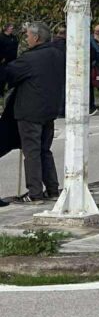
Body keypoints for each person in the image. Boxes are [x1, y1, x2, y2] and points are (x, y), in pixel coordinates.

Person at [5, 22, 63, 203]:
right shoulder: (57, 55)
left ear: (36, 38)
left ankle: (34, 192)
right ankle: (53, 189)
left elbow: (9, 75)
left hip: (30, 111)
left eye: (28, 35)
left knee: (32, 152)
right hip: (49, 110)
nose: (27, 38)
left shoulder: (30, 59)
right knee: (45, 151)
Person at [0, 23, 18, 96]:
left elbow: (15, 46)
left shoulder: (13, 37)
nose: (12, 29)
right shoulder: (1, 37)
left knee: (11, 76)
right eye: (11, 28)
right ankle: (1, 93)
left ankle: (10, 91)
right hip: (3, 61)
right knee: (2, 78)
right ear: (7, 28)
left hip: (12, 60)